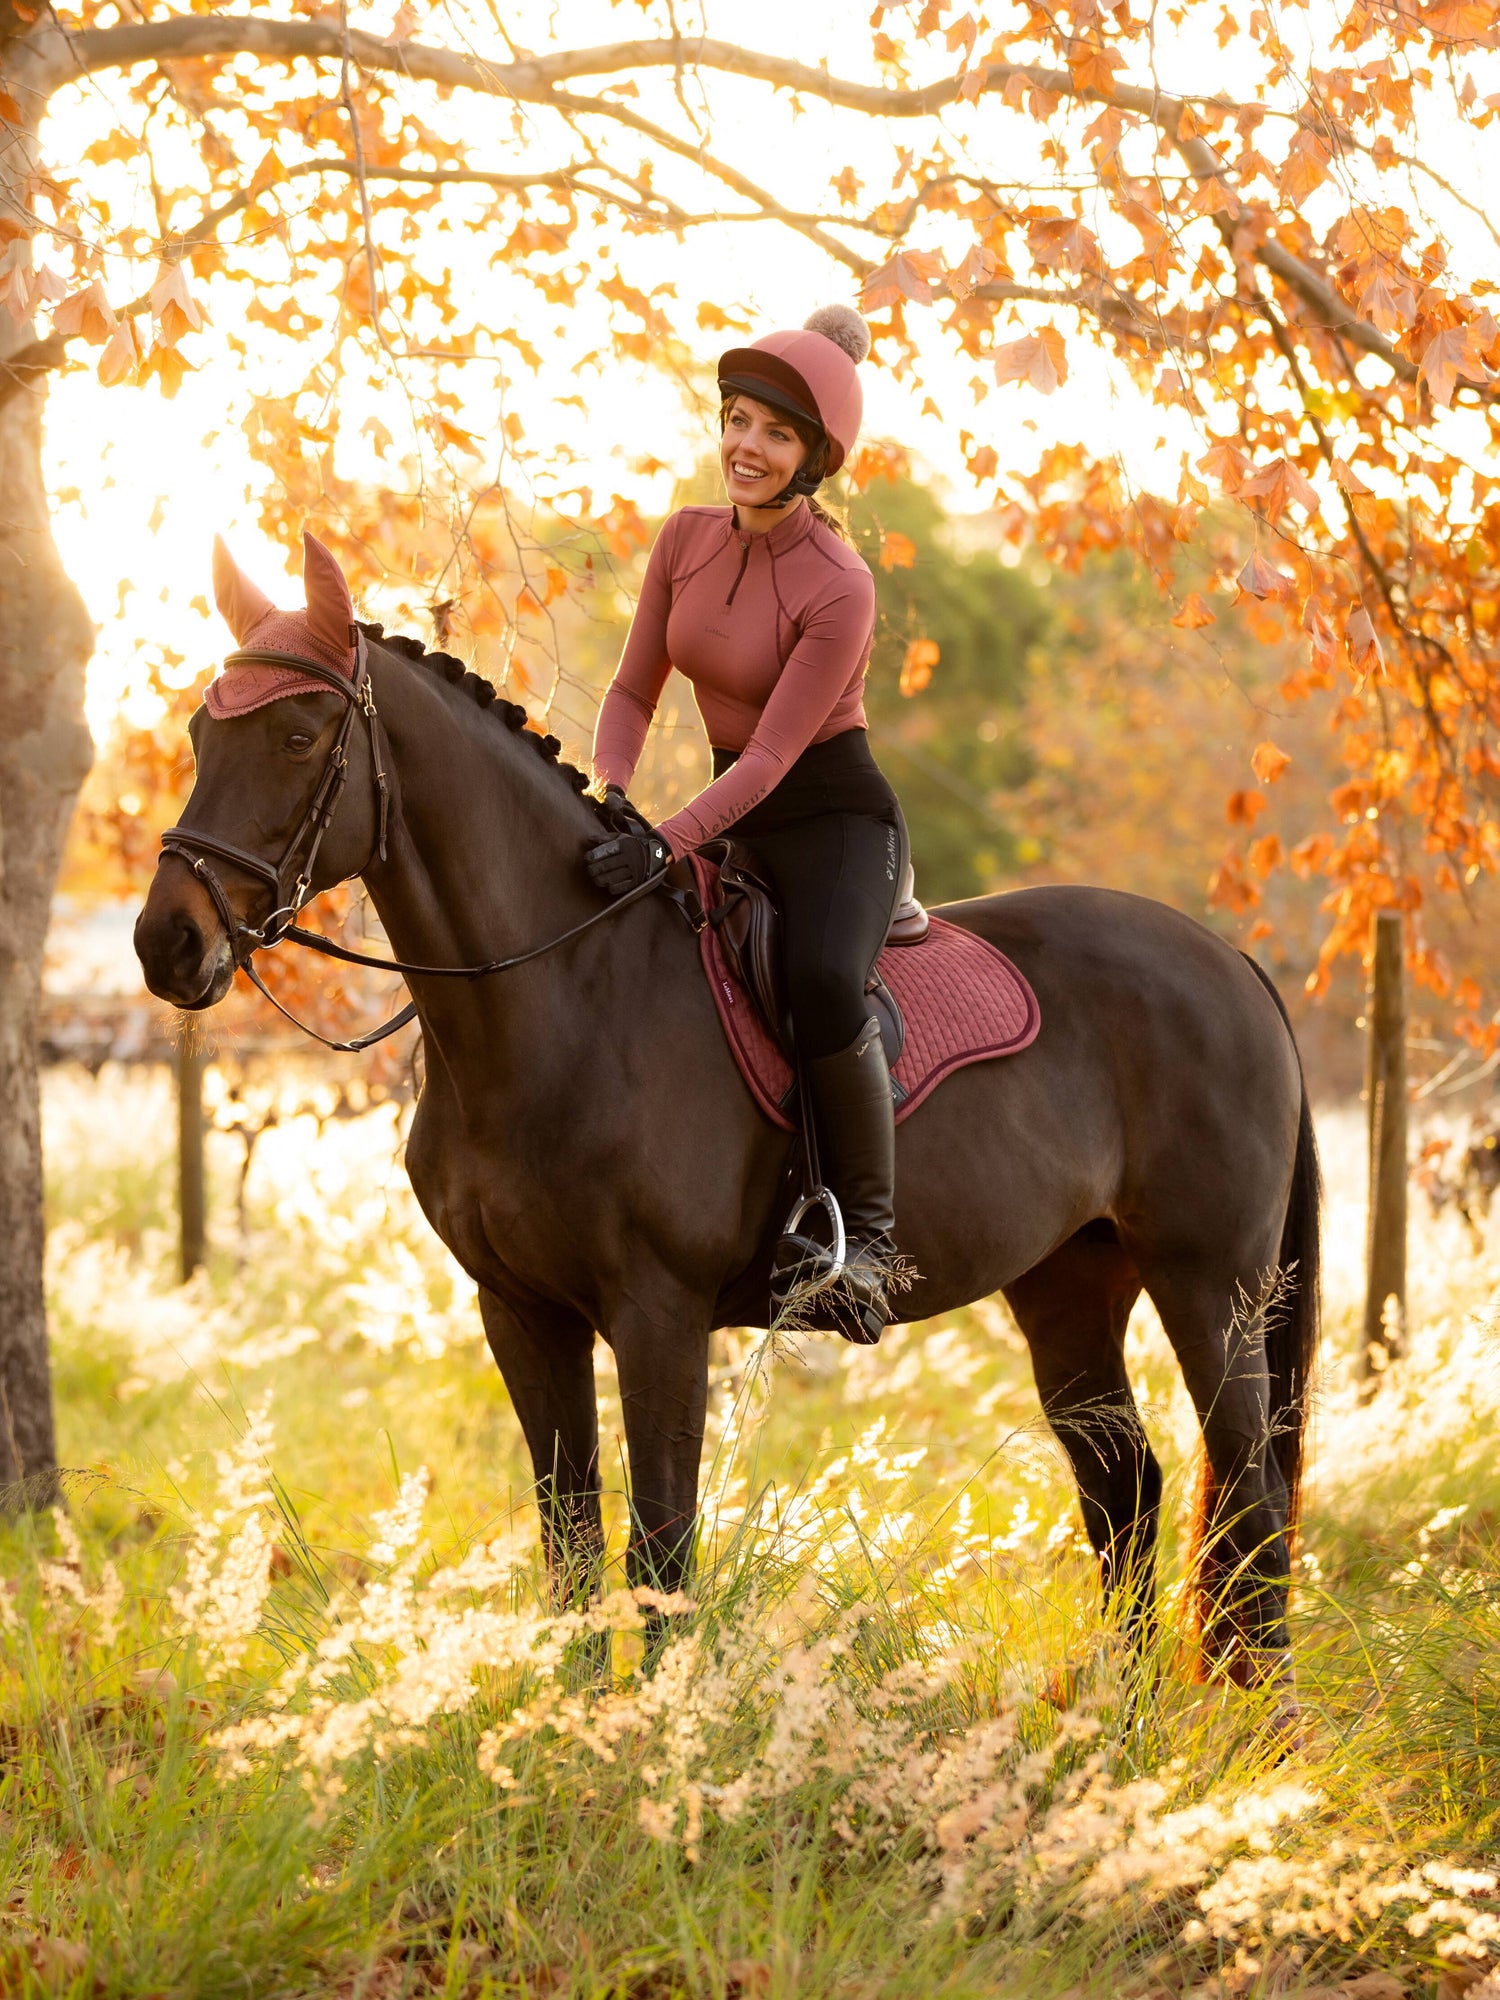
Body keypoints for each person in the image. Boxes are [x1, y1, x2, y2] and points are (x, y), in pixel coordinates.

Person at [585, 304, 907, 1344]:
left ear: (815, 457)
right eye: (735, 419)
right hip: (734, 814)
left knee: (816, 979)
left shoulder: (841, 584)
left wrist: (668, 838)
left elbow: (771, 758)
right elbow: (633, 690)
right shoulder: (680, 537)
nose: (745, 446)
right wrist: (612, 794)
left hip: (833, 818)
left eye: (774, 432)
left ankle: (866, 1243)